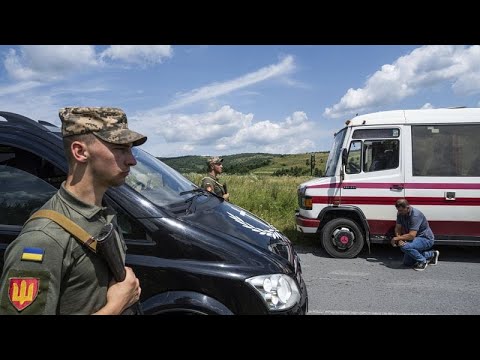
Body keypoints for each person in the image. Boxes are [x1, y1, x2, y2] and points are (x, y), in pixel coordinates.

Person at [0, 107, 146, 314]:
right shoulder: (42, 239)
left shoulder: (102, 215)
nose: (132, 160)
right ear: (80, 152)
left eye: (130, 150)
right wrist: (116, 306)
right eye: (120, 148)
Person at [391, 198, 440, 271]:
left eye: (401, 210)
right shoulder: (400, 214)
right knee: (407, 263)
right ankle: (432, 254)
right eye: (398, 210)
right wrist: (400, 239)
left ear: (407, 208)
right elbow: (398, 228)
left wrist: (396, 238)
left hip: (425, 239)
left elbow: (411, 235)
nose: (399, 212)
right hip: (414, 239)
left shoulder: (415, 215)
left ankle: (422, 261)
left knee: (405, 247)